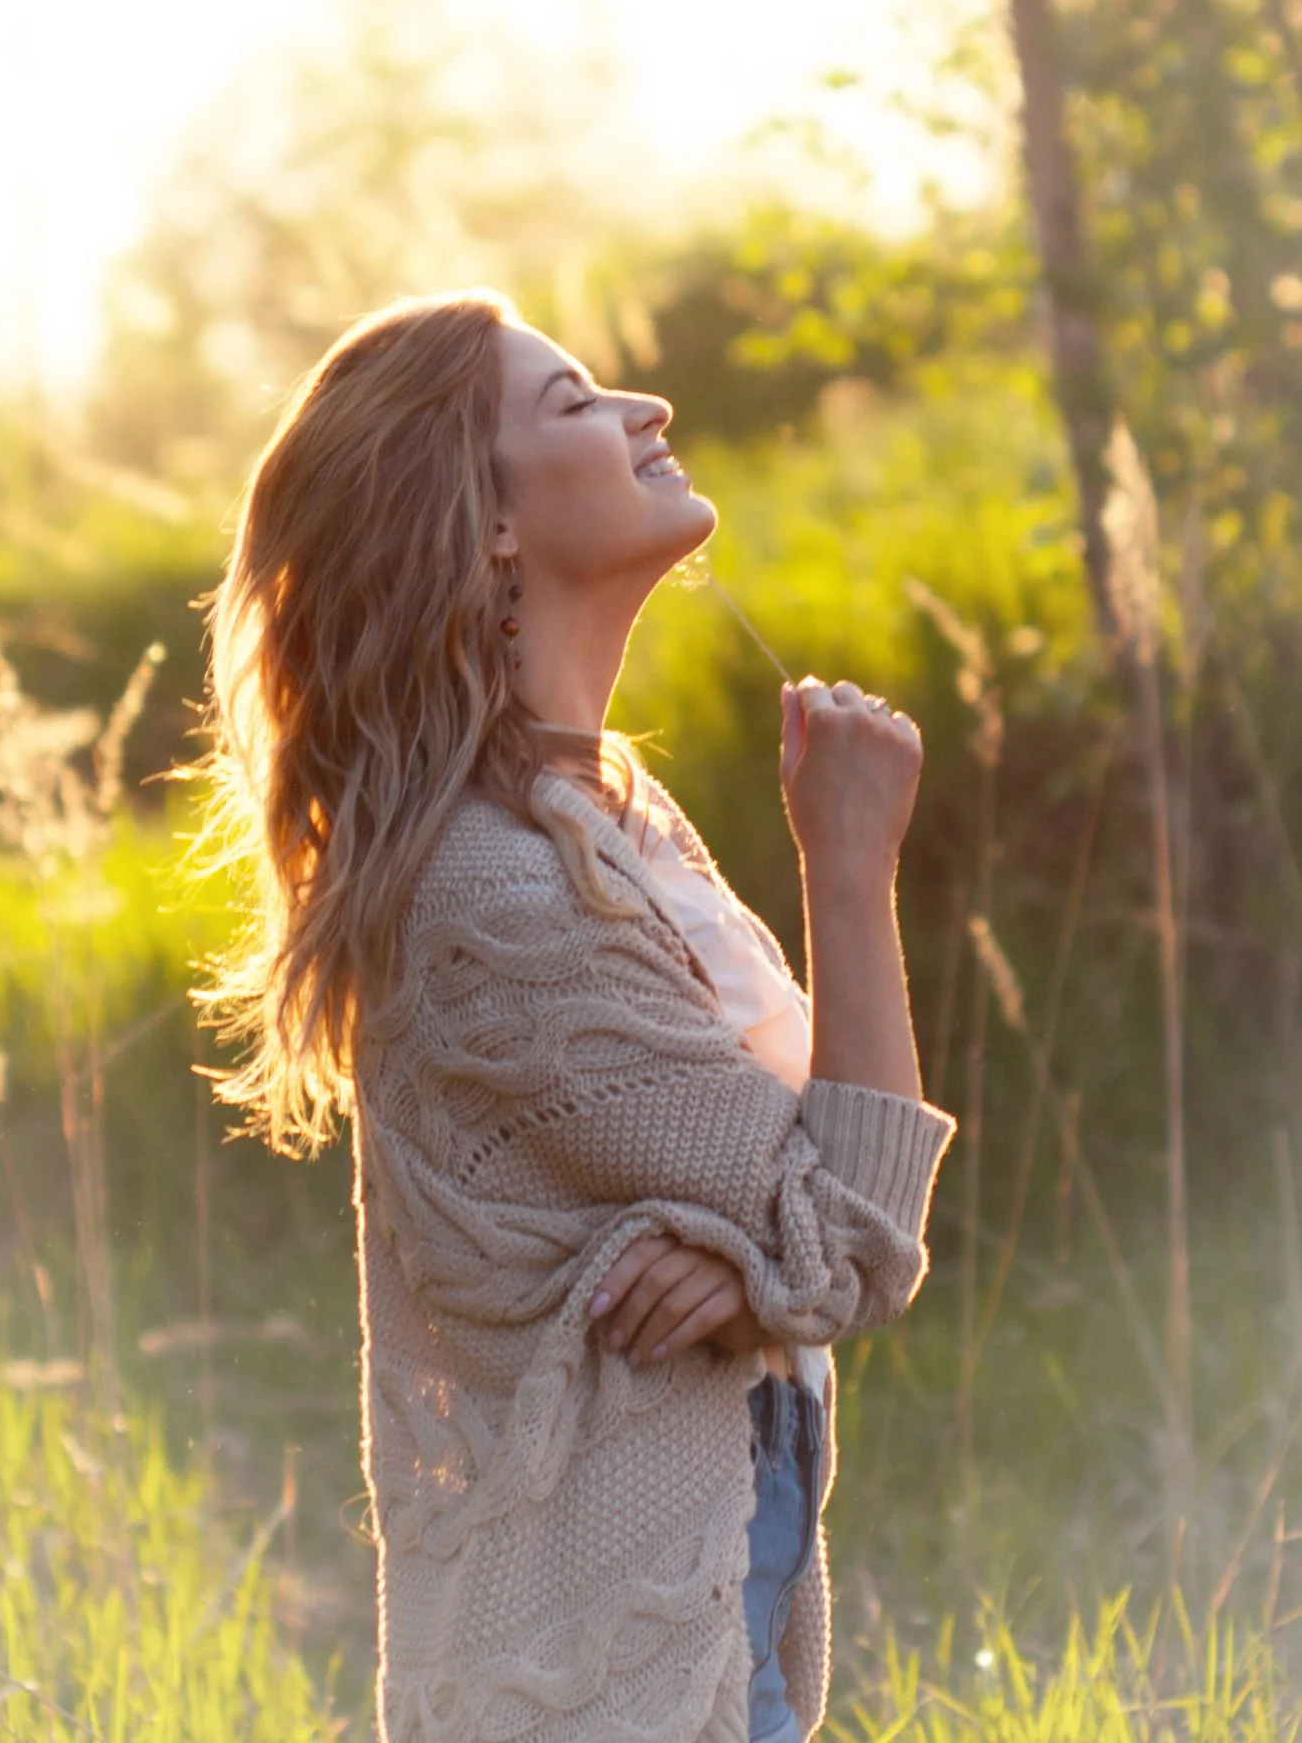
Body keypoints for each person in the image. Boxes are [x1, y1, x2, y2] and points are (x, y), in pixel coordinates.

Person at [182, 287, 957, 1742]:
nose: (643, 411)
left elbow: (792, 1212)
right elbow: (855, 1240)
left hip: (699, 1607)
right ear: (485, 523)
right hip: (612, 1674)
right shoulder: (494, 895)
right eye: (574, 401)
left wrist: (742, 1268)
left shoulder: (599, 819)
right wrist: (850, 872)